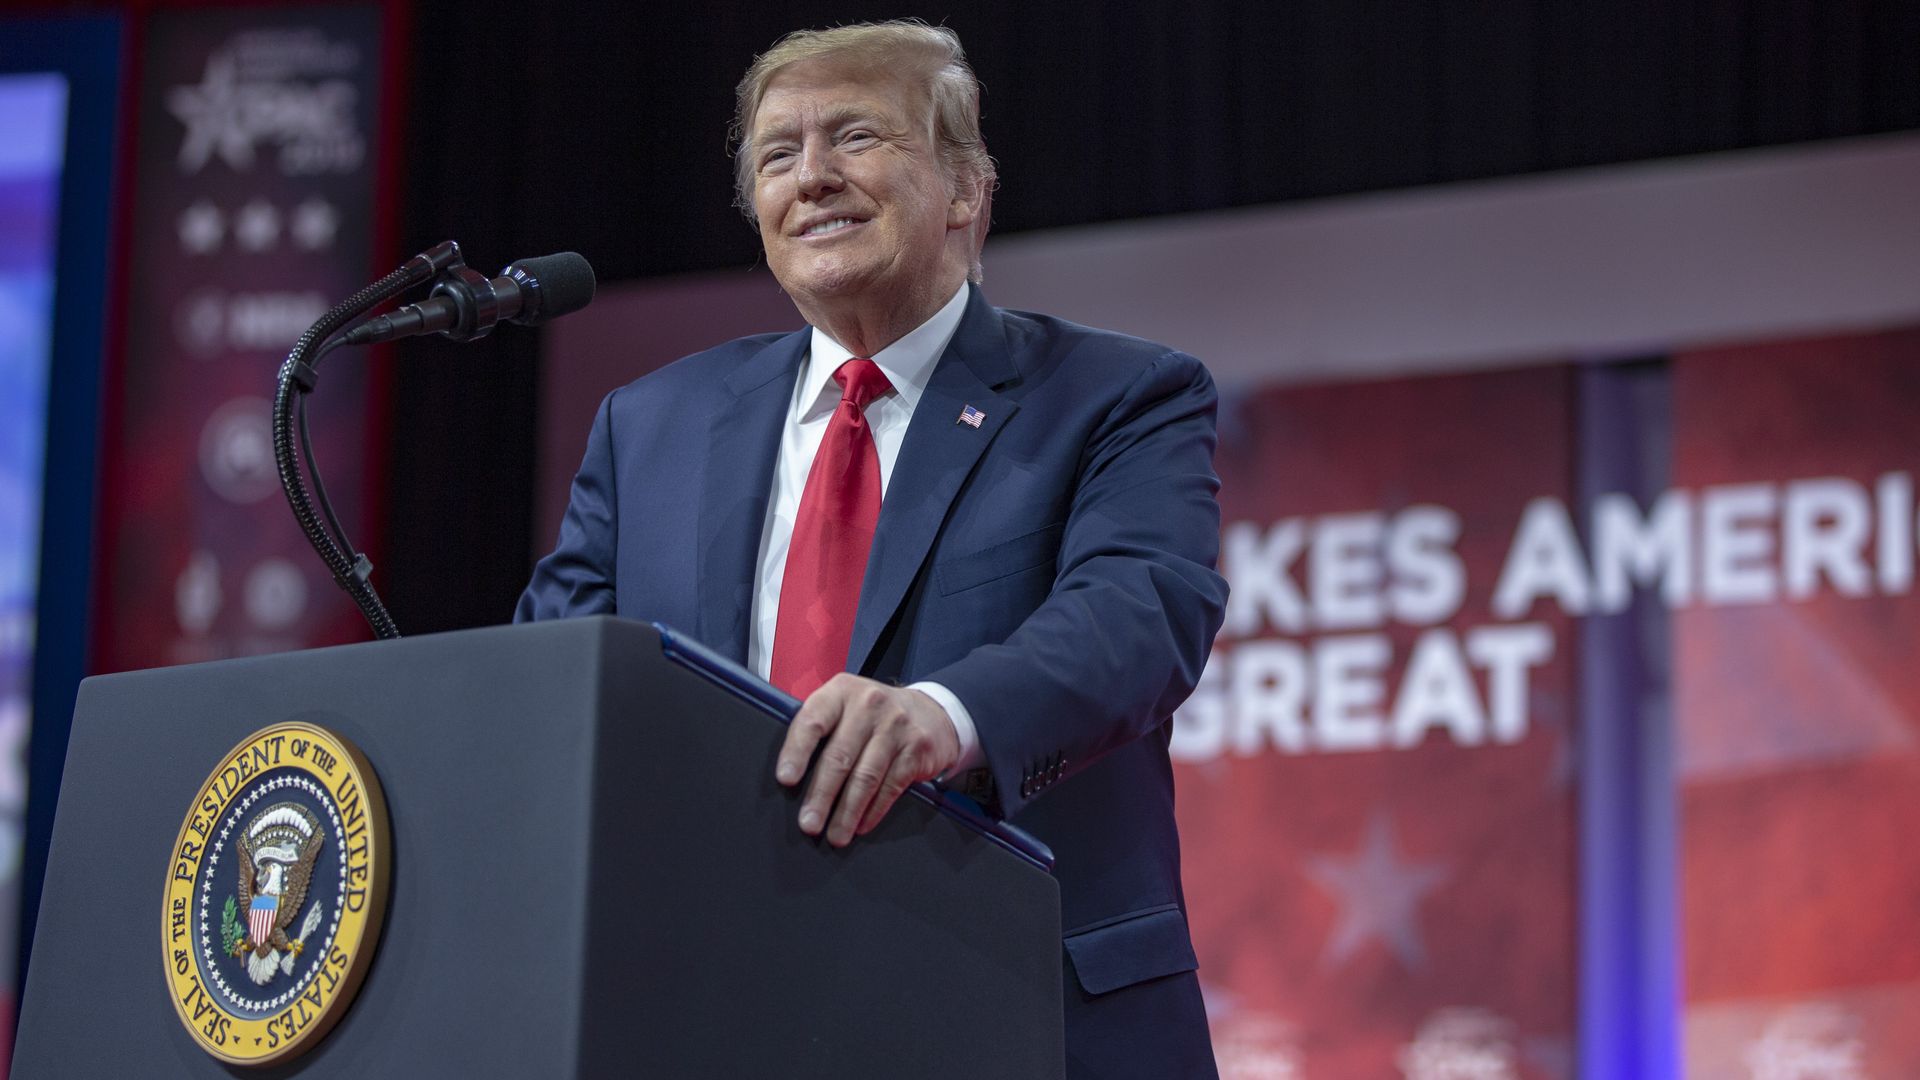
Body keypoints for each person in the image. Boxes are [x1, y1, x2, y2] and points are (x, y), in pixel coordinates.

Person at [517, 20, 1226, 1078]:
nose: (811, 176)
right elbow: (552, 679)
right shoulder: (650, 425)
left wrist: (942, 714)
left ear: (966, 189)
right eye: (777, 154)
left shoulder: (1117, 396)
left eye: (854, 137)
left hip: (1018, 1006)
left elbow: (1141, 612)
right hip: (712, 1014)